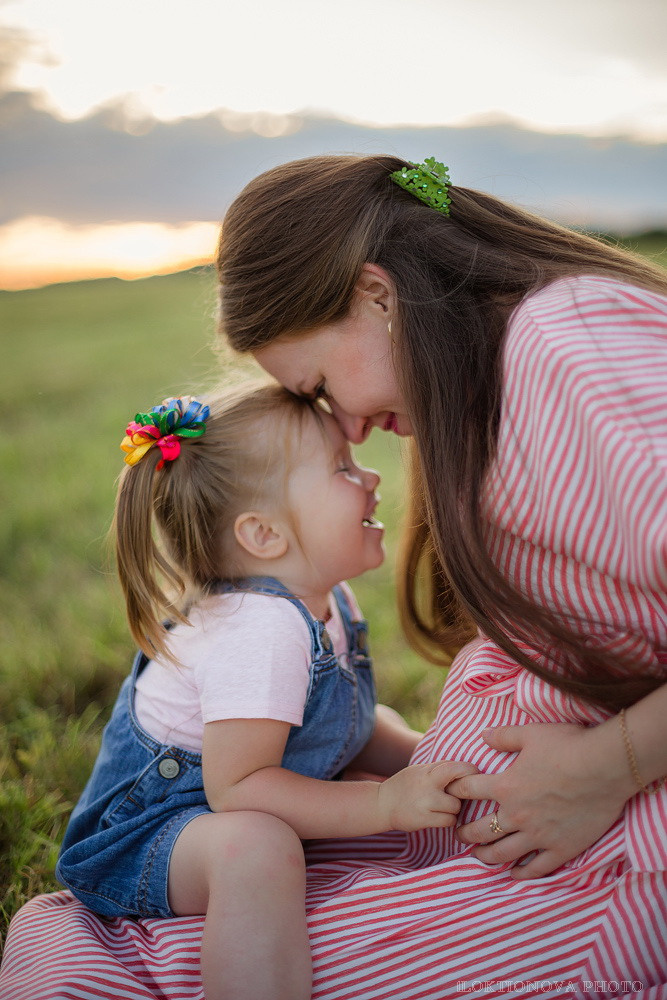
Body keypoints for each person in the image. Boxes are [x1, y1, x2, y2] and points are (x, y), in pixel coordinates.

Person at [1, 155, 666, 1000]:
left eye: (318, 384)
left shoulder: (569, 342)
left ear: (376, 295)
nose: (354, 432)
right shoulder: (490, 380)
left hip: (597, 813)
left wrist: (604, 769)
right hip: (469, 808)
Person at [51, 383, 476, 1000]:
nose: (371, 475)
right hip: (143, 836)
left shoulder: (319, 597)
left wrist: (431, 757)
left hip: (216, 809)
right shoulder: (262, 628)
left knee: (338, 795)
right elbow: (240, 786)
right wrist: (385, 806)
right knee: (259, 847)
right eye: (341, 468)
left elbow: (347, 728)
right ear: (264, 535)